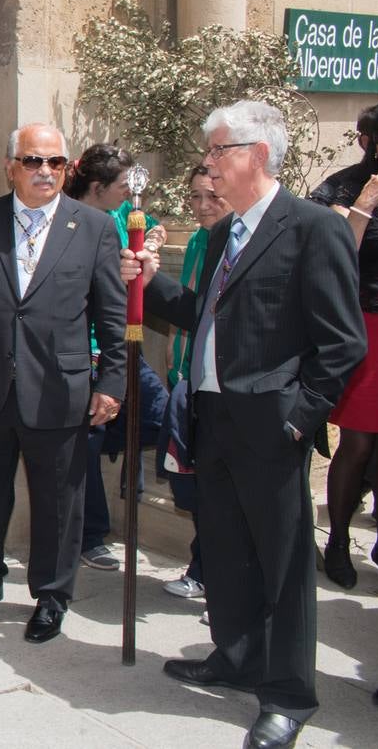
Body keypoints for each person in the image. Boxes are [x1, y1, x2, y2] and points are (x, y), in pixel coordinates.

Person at [128, 99, 366, 749]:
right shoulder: (227, 233)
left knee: (283, 567)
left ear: (256, 156)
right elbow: (210, 318)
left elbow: (344, 343)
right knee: (227, 554)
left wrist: (299, 416)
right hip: (216, 421)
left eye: (217, 152)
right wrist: (154, 283)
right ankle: (233, 656)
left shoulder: (312, 229)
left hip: (271, 428)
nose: (208, 165)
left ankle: (289, 694)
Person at [0, 123, 126, 644]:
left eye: (56, 163)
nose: (45, 172)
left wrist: (112, 381)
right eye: (34, 161)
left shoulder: (94, 228)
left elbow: (112, 313)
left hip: (60, 386)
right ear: (11, 166)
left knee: (59, 500)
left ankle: (52, 594)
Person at [63, 144, 169, 573]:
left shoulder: (125, 216)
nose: (130, 193)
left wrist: (154, 244)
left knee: (163, 417)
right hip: (88, 347)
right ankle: (90, 535)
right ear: (97, 187)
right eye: (123, 186)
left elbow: (153, 229)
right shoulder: (70, 222)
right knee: (85, 442)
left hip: (125, 344)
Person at [308, 100, 378, 590]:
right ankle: (338, 540)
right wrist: (364, 204)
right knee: (360, 440)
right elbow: (327, 255)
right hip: (365, 325)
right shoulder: (345, 185)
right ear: (371, 140)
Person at [161, 165, 231, 603]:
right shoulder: (200, 241)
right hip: (192, 379)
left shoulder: (244, 242)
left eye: (212, 197)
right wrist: (178, 367)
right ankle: (203, 570)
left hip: (229, 389)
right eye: (195, 197)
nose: (202, 207)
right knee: (199, 486)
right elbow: (189, 306)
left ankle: (220, 580)